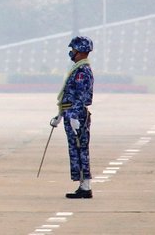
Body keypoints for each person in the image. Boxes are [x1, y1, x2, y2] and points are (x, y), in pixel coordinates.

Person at [50, 35, 94, 199]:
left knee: (80, 149)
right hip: (70, 114)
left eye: (73, 49)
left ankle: (85, 186)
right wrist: (60, 115)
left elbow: (80, 97)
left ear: (81, 51)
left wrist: (74, 116)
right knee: (74, 150)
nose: (72, 52)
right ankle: (82, 185)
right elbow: (68, 96)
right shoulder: (76, 69)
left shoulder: (83, 71)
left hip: (77, 115)